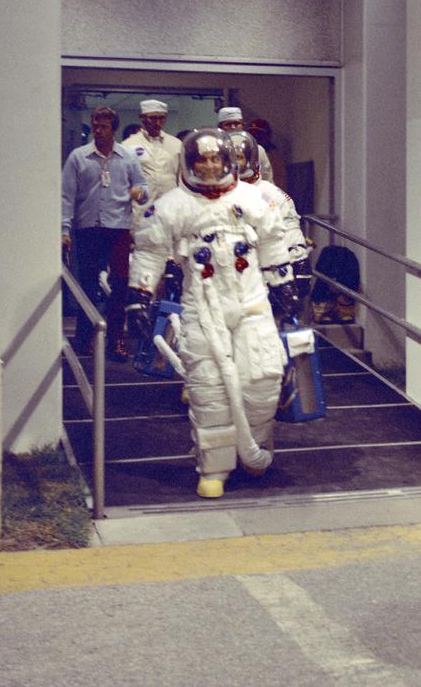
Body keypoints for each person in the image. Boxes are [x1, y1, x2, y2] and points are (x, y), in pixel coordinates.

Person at [126, 128, 302, 499]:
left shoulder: (253, 199)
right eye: (201, 160)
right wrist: (139, 297)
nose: (209, 166)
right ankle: (215, 468)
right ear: (190, 164)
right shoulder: (172, 205)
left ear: (228, 161)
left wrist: (284, 285)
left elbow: (272, 241)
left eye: (215, 159)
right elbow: (150, 251)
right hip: (202, 309)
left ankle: (254, 449)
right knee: (209, 393)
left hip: (251, 302)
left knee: (264, 378)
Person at [61, 105, 149, 359]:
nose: (98, 130)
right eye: (95, 125)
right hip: (88, 228)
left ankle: (115, 342)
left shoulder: (128, 157)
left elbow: (143, 186)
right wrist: (64, 229)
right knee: (87, 285)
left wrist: (140, 193)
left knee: (119, 285)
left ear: (114, 129)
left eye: (103, 126)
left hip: (118, 228)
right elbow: (66, 196)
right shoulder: (78, 157)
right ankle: (85, 340)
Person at [226, 130, 311, 291]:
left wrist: (299, 263)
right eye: (231, 158)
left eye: (239, 157)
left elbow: (288, 227)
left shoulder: (268, 194)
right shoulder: (216, 194)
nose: (235, 163)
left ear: (250, 160)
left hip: (260, 273)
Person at [121, 99, 182, 215]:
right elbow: (123, 180)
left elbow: (181, 178)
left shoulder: (176, 144)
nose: (158, 123)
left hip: (170, 208)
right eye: (153, 118)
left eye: (162, 118)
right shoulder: (129, 145)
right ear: (142, 118)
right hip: (140, 209)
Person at [218, 105, 274, 183]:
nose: (233, 127)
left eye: (236, 123)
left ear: (243, 126)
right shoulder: (215, 150)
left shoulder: (257, 150)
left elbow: (267, 179)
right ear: (220, 128)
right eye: (228, 124)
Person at [247, 117, 286, 190]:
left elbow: (279, 178)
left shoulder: (273, 153)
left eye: (258, 133)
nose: (255, 136)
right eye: (252, 133)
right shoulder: (247, 152)